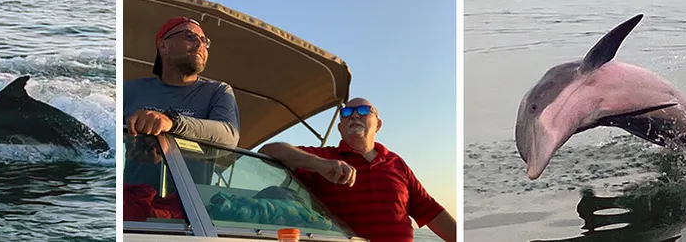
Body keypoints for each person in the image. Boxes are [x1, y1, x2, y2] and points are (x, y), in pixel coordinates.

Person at [259, 98, 456, 242]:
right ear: (340, 128)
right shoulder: (325, 157)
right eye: (346, 113)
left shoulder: (396, 163)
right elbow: (269, 150)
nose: (353, 114)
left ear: (378, 124)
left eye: (363, 110)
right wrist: (319, 164)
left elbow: (431, 211)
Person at [123, 17, 239, 146]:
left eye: (204, 41)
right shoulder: (128, 89)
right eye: (189, 35)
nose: (200, 44)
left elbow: (229, 134)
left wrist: (172, 122)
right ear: (163, 46)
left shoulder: (218, 91)